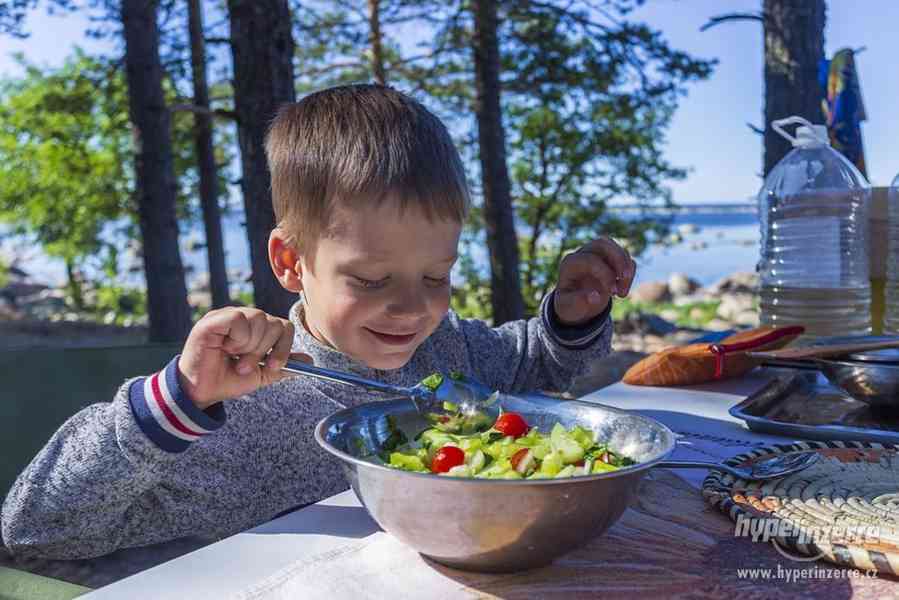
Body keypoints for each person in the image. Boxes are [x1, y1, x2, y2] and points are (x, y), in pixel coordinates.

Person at [2, 84, 635, 560]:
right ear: (290, 262)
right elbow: (37, 527)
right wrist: (180, 401)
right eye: (370, 280)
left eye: (436, 276)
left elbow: (537, 364)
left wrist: (570, 317)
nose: (414, 308)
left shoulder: (450, 355)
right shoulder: (237, 410)